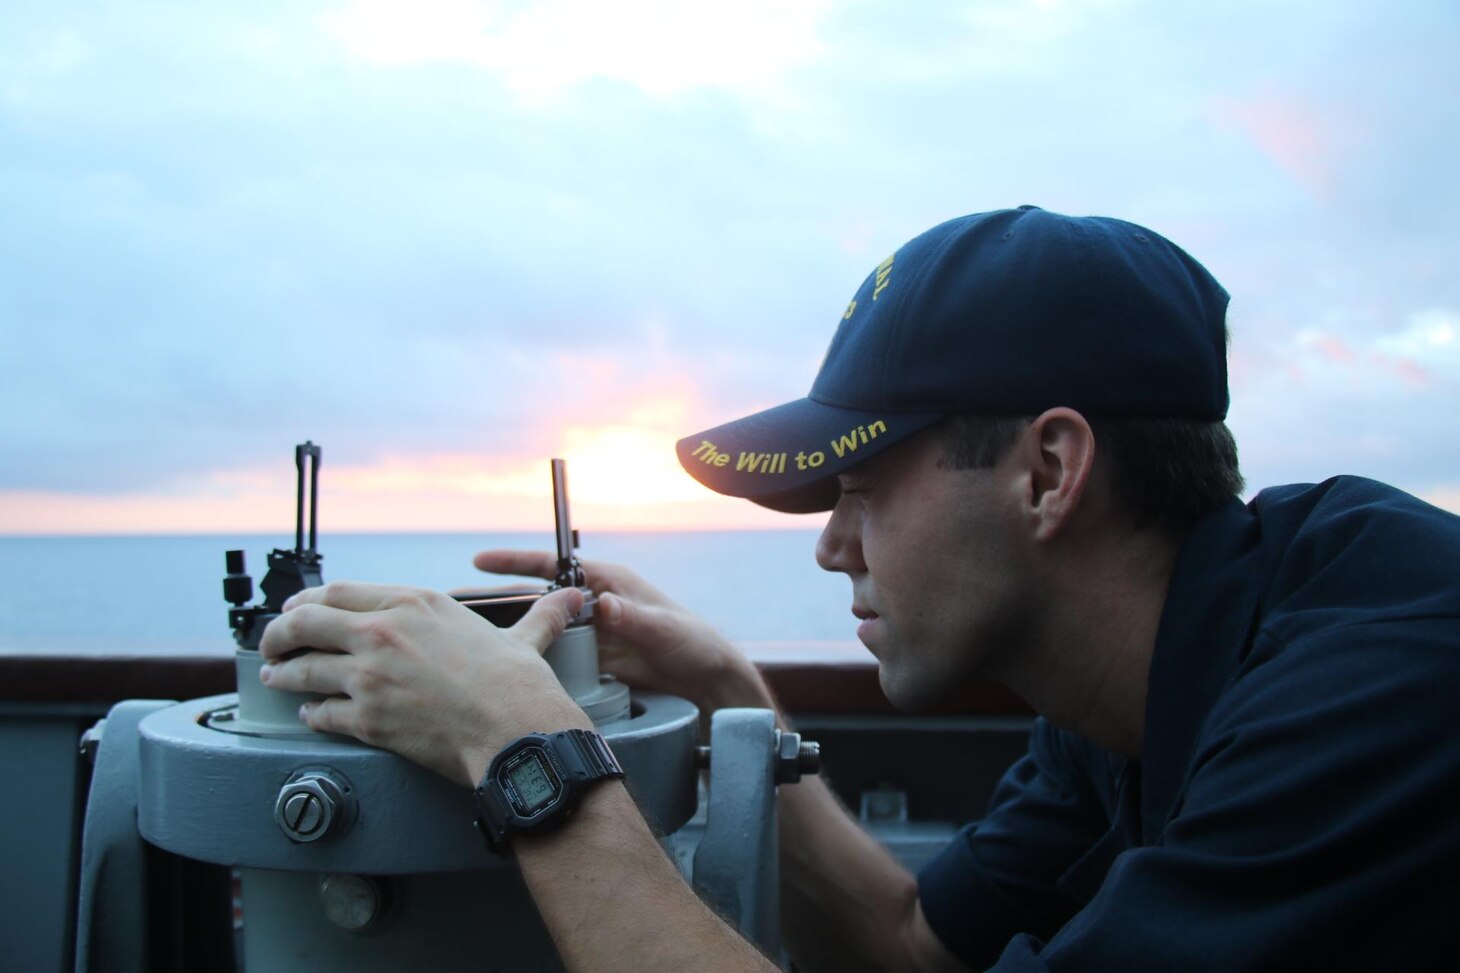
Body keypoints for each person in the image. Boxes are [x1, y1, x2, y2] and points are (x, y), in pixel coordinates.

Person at [259, 205, 1460, 971]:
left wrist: (525, 752)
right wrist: (739, 706)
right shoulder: (1127, 688)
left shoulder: (1384, 692)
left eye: (862, 486)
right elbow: (912, 948)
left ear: (1047, 472)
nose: (832, 545)